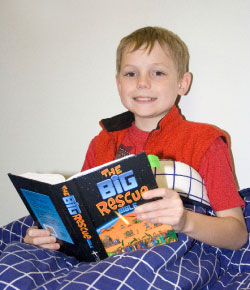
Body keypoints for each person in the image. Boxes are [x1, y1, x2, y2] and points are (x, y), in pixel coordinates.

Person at [24, 26, 248, 251]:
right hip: (106, 257)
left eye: (157, 73)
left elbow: (237, 235)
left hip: (175, 257)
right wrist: (50, 235)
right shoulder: (102, 142)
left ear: (182, 83)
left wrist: (185, 221)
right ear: (119, 84)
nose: (142, 82)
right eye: (131, 73)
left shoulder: (205, 141)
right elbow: (82, 221)